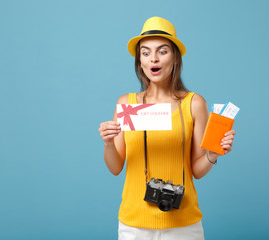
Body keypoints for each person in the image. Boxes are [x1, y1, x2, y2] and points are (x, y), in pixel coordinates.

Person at [99, 16, 236, 240]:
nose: (153, 58)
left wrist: (213, 153)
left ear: (175, 58)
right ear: (139, 61)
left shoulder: (193, 103)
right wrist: (107, 143)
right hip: (134, 223)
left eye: (162, 51)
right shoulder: (127, 104)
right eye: (145, 52)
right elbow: (115, 167)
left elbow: (197, 171)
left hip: (183, 223)